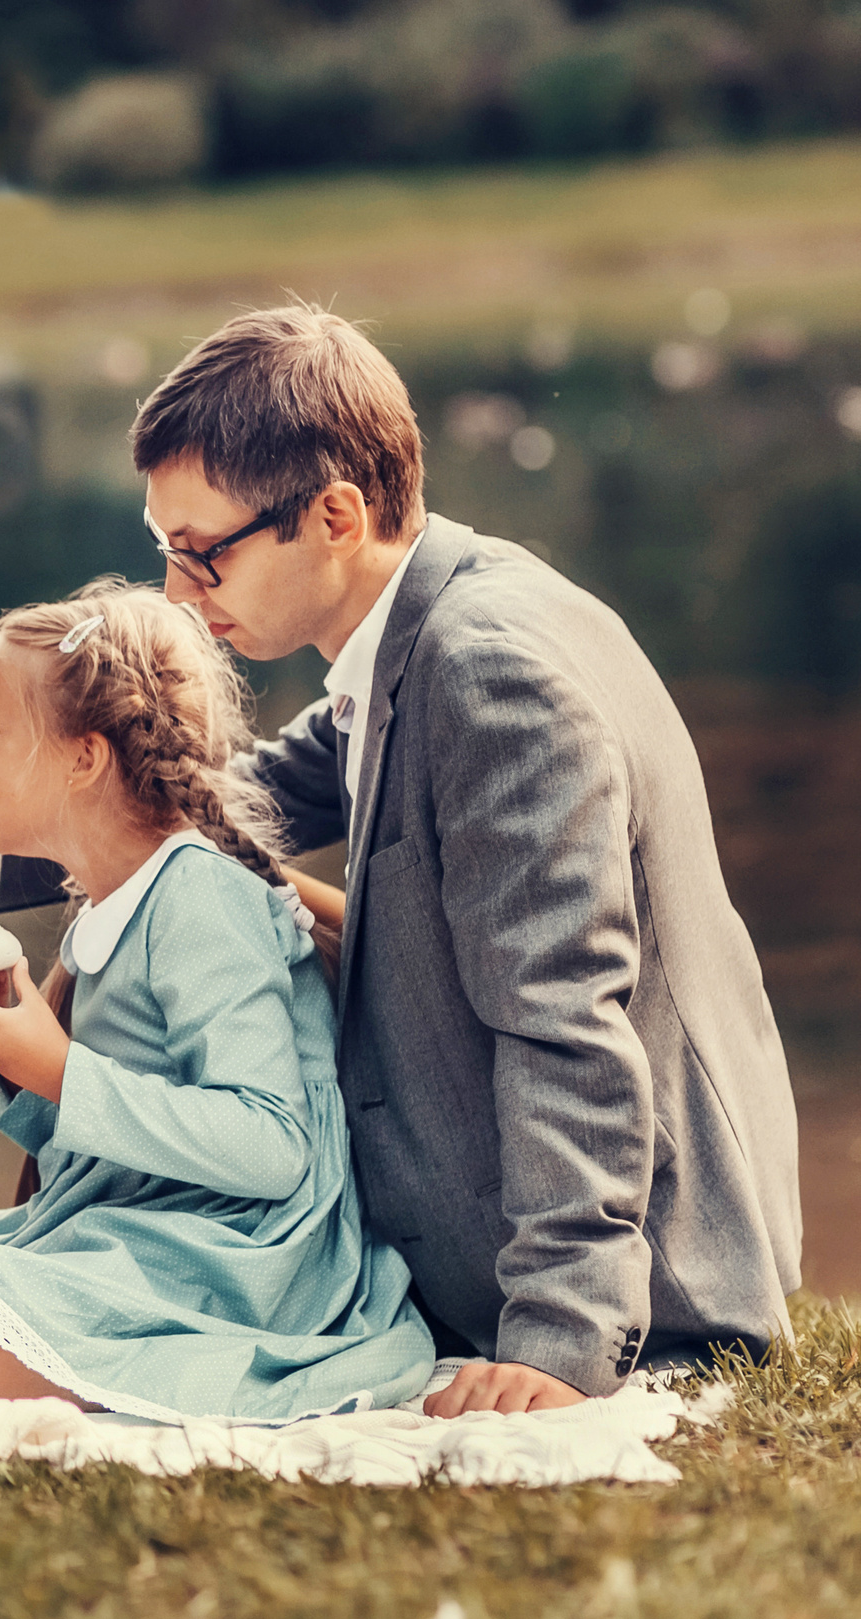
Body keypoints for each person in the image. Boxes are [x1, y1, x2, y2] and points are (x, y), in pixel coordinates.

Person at [134, 304, 800, 1415]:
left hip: (659, 1280)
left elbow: (565, 1019)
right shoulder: (422, 617)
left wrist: (557, 1341)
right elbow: (222, 801)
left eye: (199, 554)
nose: (175, 593)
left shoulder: (487, 674)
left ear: (334, 515)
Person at [0, 584, 434, 1420]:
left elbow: (274, 1149)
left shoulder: (202, 898)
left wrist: (56, 1068)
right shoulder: (112, 894)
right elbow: (109, 1137)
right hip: (127, 1221)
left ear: (83, 760)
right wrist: (16, 1063)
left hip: (236, 1262)